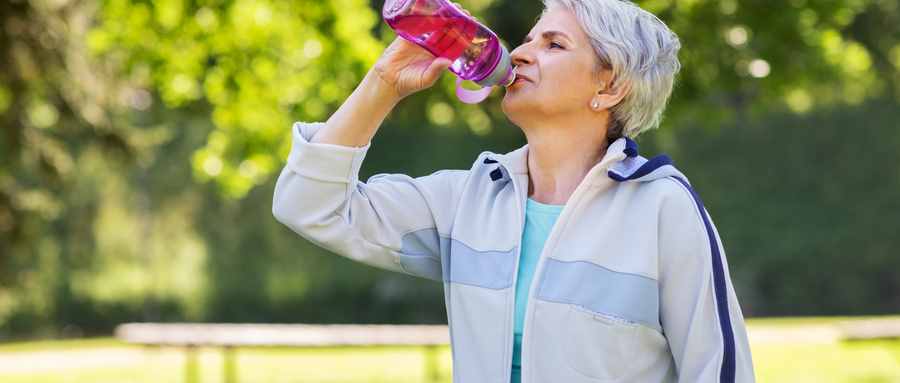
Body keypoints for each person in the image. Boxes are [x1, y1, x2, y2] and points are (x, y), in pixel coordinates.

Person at [273, 0, 755, 381]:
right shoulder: (467, 203)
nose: (520, 53)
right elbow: (309, 205)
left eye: (554, 44)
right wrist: (384, 84)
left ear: (608, 87)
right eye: (527, 40)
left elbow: (717, 369)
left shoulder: (662, 208)